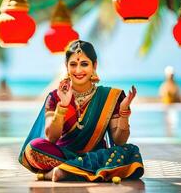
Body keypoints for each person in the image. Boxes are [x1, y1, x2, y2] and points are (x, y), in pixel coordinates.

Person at [18, 40, 144, 182]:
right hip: (63, 155)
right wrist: (63, 106)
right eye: (73, 64)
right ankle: (81, 169)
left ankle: (63, 171)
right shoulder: (55, 97)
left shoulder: (111, 97)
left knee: (130, 150)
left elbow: (119, 141)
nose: (78, 70)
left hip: (96, 155)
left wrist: (123, 113)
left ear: (94, 65)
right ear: (66, 66)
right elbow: (51, 137)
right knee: (33, 148)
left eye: (84, 64)